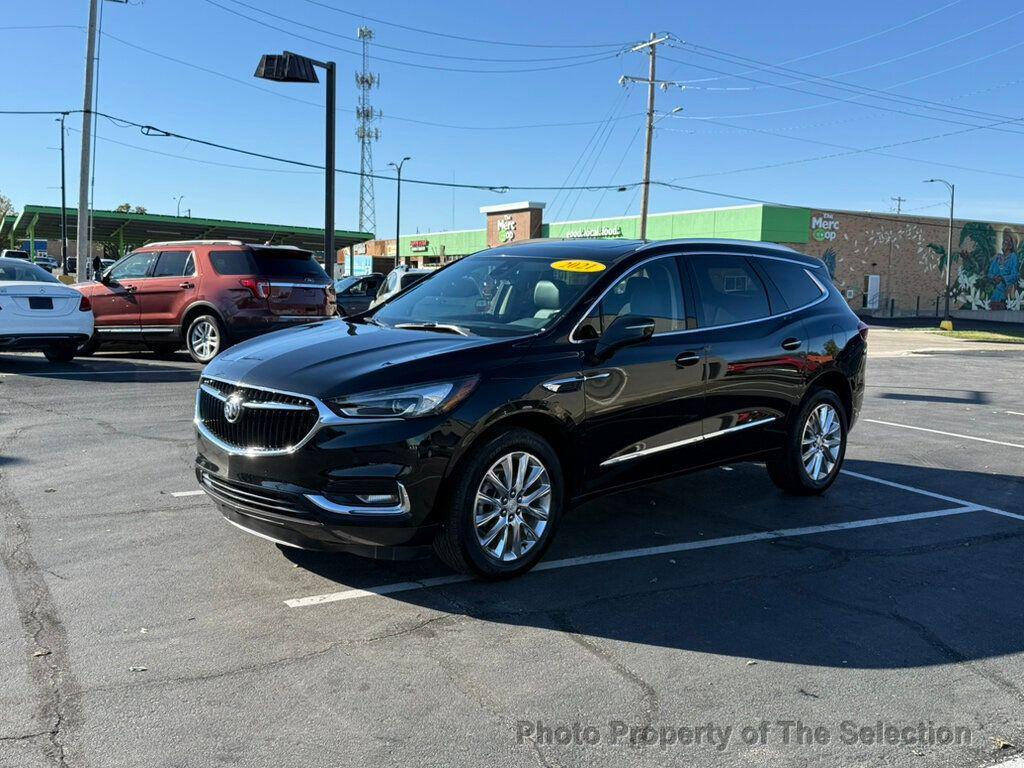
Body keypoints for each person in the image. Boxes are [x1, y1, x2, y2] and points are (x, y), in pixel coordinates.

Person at [989, 229, 1020, 309]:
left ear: (1011, 245)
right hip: (994, 290)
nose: (1004, 242)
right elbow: (990, 273)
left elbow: (1015, 275)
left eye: (1007, 240)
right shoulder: (997, 258)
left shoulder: (1013, 257)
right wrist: (994, 278)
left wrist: (1003, 278)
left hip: (1006, 291)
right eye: (1004, 240)